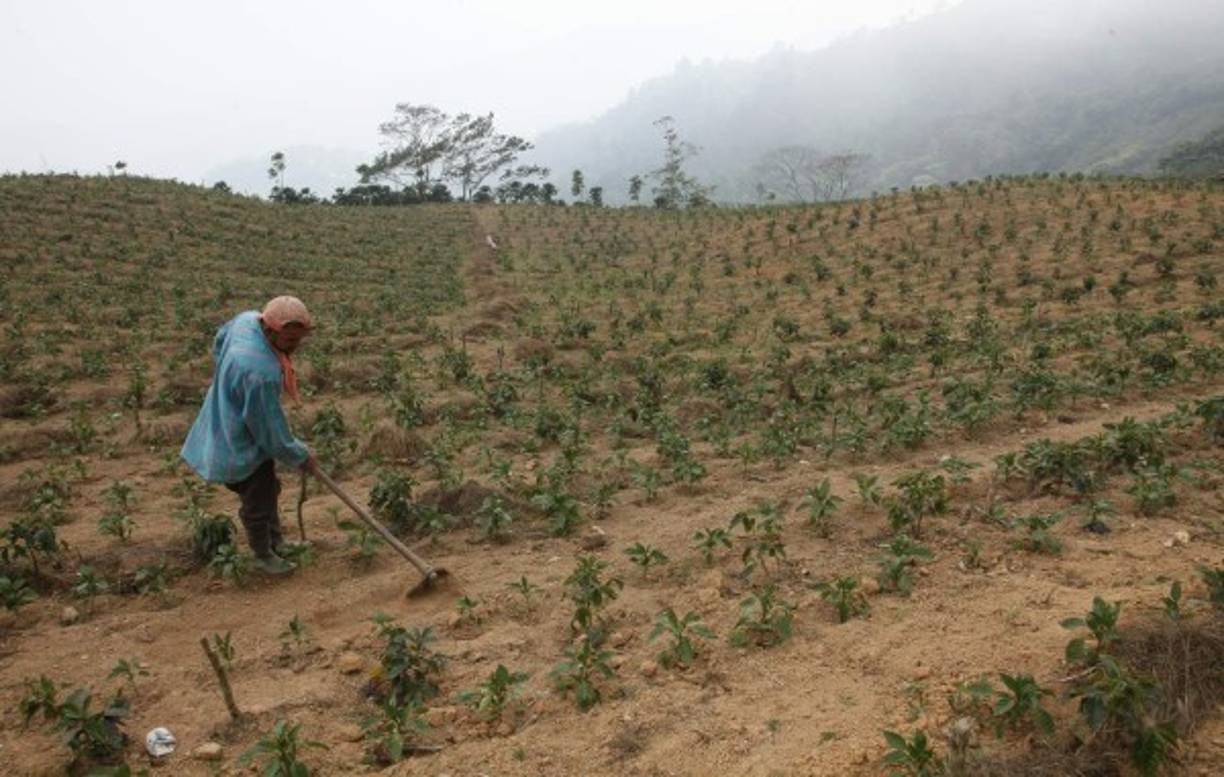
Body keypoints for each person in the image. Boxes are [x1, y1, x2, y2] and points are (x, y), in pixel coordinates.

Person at [182, 295, 319, 575]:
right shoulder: (260, 373)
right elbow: (269, 432)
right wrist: (300, 455)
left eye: (299, 339)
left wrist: (226, 375)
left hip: (227, 413)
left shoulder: (247, 321)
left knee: (268, 488)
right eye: (290, 341)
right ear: (269, 330)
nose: (295, 347)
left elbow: (220, 341)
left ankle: (276, 542)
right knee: (257, 498)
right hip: (239, 441)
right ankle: (262, 555)